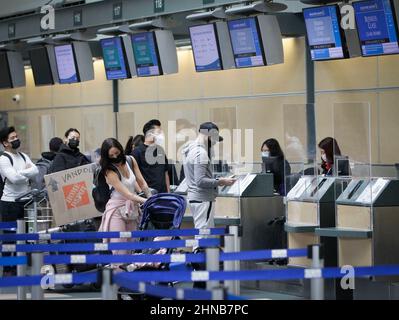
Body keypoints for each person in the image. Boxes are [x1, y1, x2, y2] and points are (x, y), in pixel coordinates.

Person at [182, 122, 236, 238]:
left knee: (202, 232)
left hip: (195, 197)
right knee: (203, 236)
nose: (215, 143)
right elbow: (200, 181)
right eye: (215, 139)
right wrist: (221, 181)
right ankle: (199, 254)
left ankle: (201, 253)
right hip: (203, 198)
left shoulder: (190, 150)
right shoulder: (201, 154)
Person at [98, 138, 147, 256]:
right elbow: (128, 194)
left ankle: (127, 273)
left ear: (121, 149)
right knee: (119, 250)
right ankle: (117, 272)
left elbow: (141, 182)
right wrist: (147, 201)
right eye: (111, 155)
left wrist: (149, 195)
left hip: (132, 209)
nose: (115, 157)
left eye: (117, 153)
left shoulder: (130, 160)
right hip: (116, 210)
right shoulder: (109, 171)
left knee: (131, 247)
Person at [0, 127, 39, 276]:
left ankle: (19, 267)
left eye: (16, 136)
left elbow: (35, 172)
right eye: (12, 138)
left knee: (24, 237)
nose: (16, 139)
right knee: (10, 238)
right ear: (5, 143)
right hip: (9, 203)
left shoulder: (23, 156)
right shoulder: (3, 159)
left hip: (26, 201)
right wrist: (25, 173)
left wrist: (20, 173)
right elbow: (14, 179)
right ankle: (8, 270)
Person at [132, 120, 170, 193]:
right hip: (148, 196)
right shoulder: (137, 152)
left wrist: (168, 193)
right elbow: (134, 178)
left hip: (163, 194)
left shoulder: (160, 151)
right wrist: (142, 193)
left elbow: (165, 174)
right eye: (158, 132)